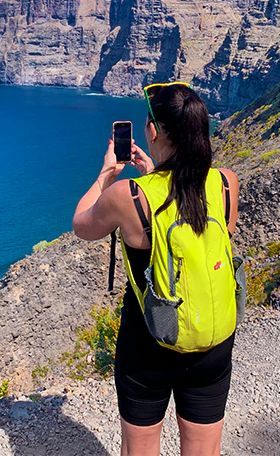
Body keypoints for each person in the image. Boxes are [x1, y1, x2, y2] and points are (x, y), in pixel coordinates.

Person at [72, 82, 240, 456]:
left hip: (149, 338)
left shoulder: (129, 196)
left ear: (154, 131)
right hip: (212, 337)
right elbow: (205, 229)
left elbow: (82, 225)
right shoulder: (226, 183)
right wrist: (157, 171)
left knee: (141, 448)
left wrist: (105, 175)